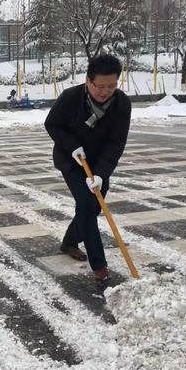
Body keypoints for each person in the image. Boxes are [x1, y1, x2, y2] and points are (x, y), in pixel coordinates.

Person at [44, 54, 131, 282]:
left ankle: (69, 242)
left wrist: (101, 174)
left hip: (100, 162)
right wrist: (72, 147)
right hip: (72, 159)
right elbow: (52, 124)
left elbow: (116, 143)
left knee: (93, 208)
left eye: (111, 86)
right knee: (85, 203)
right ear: (88, 81)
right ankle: (99, 267)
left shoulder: (122, 104)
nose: (105, 91)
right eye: (100, 86)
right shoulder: (71, 98)